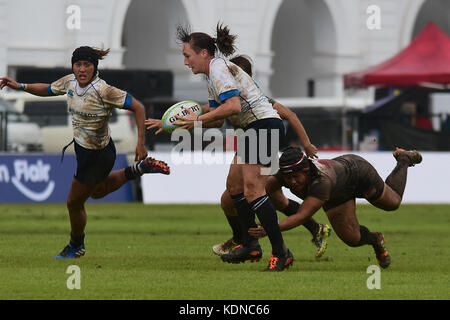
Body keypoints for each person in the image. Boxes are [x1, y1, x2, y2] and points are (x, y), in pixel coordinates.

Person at [0, 46, 170, 259]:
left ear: (94, 67)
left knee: (73, 202)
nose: (82, 69)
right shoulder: (70, 82)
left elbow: (139, 107)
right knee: (97, 191)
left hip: (98, 154)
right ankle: (139, 169)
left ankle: (76, 245)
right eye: (78, 64)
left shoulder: (104, 90)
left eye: (87, 64)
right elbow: (48, 89)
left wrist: (141, 144)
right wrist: (20, 86)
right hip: (84, 150)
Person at [172, 23, 295, 271]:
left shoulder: (217, 69)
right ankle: (250, 245)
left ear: (203, 53)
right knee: (234, 186)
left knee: (253, 190)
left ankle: (281, 253)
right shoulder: (211, 75)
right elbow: (218, 117)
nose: (186, 62)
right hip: (257, 126)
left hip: (264, 125)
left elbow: (234, 107)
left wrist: (197, 119)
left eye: (187, 55)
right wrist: (180, 125)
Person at [208, 55, 330, 259]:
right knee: (231, 199)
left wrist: (307, 144)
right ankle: (243, 239)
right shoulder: (228, 98)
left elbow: (291, 116)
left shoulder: (260, 100)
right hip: (250, 148)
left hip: (265, 150)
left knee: (271, 199)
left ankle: (258, 243)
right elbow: (210, 113)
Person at [248, 146, 422, 269]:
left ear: (306, 170)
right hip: (338, 193)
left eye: (296, 177)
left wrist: (269, 229)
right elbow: (260, 193)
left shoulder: (321, 183)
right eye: (288, 178)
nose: (292, 182)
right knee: (352, 239)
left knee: (393, 203)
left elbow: (302, 216)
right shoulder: (285, 175)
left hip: (358, 174)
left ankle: (404, 159)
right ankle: (376, 240)